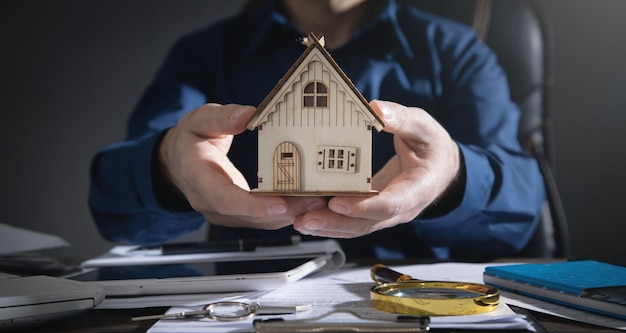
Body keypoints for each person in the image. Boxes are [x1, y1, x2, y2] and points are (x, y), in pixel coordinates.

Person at [88, 0, 545, 261]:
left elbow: (521, 211)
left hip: (411, 303)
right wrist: (171, 166)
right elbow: (116, 206)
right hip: (246, 304)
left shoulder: (455, 50)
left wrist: (452, 176)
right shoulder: (205, 55)